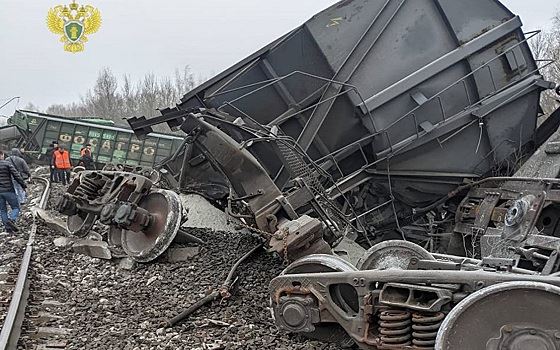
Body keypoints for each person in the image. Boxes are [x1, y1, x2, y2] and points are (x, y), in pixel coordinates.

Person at [0, 150, 26, 233]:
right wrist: (23, 185)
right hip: (8, 190)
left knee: (3, 210)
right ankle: (12, 219)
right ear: (2, 155)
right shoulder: (7, 164)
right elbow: (16, 175)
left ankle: (8, 228)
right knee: (16, 207)